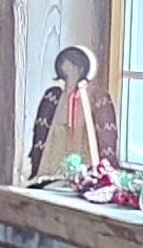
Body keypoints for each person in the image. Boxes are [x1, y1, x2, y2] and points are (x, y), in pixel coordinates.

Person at [29, 45, 115, 179]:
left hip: (83, 145)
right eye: (64, 67)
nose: (66, 70)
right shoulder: (56, 96)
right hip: (58, 143)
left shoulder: (92, 98)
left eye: (69, 67)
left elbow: (102, 132)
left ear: (79, 69)